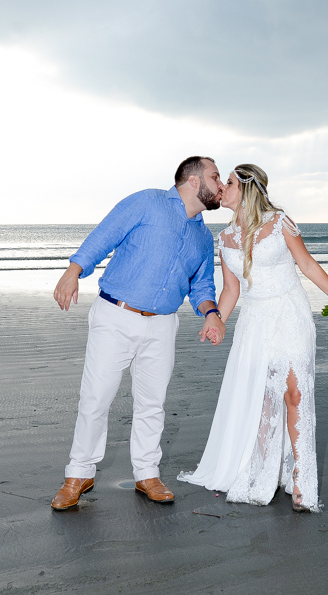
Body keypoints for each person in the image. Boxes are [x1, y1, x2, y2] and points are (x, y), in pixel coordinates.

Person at [50, 156, 227, 511]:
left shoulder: (203, 236)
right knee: (96, 398)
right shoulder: (147, 202)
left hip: (163, 324)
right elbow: (105, 235)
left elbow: (202, 284)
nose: (221, 185)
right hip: (116, 315)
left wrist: (212, 314)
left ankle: (147, 473)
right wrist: (74, 271)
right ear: (194, 181)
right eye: (215, 176)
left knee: (152, 403)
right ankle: (78, 474)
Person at [178, 164, 328, 512]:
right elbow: (230, 289)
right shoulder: (225, 239)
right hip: (255, 321)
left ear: (246, 188)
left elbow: (308, 265)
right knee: (266, 400)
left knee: (295, 392)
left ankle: (302, 476)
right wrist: (216, 320)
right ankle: (265, 474)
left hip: (290, 312)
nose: (222, 188)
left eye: (228, 183)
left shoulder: (280, 222)